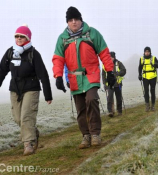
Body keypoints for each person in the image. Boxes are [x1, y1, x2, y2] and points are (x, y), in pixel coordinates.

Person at [52, 7, 115, 149]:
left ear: (81, 20)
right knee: (80, 108)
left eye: (76, 19)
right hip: (74, 79)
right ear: (67, 22)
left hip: (91, 75)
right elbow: (58, 59)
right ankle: (85, 135)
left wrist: (110, 71)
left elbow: (104, 53)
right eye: (71, 20)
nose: (74, 22)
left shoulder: (92, 33)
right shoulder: (62, 39)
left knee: (91, 99)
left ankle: (95, 134)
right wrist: (58, 76)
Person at [0, 24, 52, 156]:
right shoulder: (10, 52)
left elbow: (43, 74)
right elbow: (1, 71)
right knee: (18, 118)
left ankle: (28, 144)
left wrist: (48, 94)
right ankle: (33, 132)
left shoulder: (34, 54)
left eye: (21, 36)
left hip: (31, 88)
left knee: (26, 116)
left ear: (27, 38)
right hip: (15, 89)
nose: (18, 38)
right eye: (16, 36)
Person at [102, 51, 126, 117]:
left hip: (117, 83)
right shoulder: (105, 64)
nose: (110, 58)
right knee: (109, 97)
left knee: (118, 98)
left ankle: (119, 111)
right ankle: (110, 111)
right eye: (109, 57)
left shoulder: (119, 63)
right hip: (109, 84)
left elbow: (124, 70)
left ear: (114, 57)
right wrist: (104, 84)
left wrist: (118, 73)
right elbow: (103, 75)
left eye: (111, 57)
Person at [138, 47, 158, 112]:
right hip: (145, 77)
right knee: (146, 91)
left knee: (152, 91)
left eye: (148, 52)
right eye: (146, 52)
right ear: (144, 52)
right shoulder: (141, 59)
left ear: (150, 52)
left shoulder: (154, 58)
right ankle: (147, 106)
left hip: (153, 77)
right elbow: (140, 67)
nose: (147, 53)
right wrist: (139, 75)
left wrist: (156, 65)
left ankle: (153, 106)